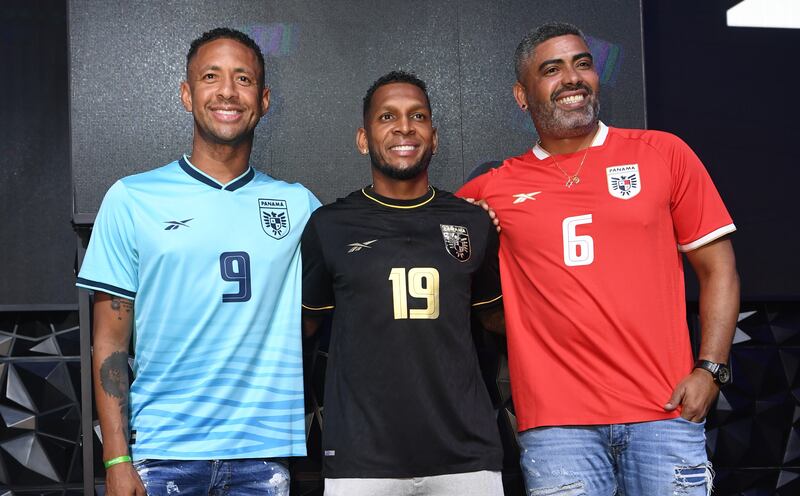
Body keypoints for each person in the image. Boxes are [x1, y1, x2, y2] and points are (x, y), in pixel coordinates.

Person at [458, 22, 740, 495]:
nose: (572, 78)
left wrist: (711, 369)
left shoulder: (663, 153)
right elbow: (434, 261)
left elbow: (719, 269)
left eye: (582, 64)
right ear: (522, 96)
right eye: (552, 69)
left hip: (665, 412)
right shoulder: (493, 188)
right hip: (557, 427)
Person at [77, 28, 319, 496]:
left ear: (264, 100)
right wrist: (116, 459)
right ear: (187, 95)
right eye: (211, 76)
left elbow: (337, 295)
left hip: (262, 457)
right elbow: (109, 341)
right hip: (161, 454)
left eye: (243, 78)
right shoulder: (132, 198)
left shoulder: (299, 205)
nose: (227, 91)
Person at [301, 71, 505, 496]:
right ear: (363, 139)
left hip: (465, 456)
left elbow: (495, 320)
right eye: (387, 117)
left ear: (434, 137)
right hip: (362, 460)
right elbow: (303, 330)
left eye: (418, 116)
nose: (404, 127)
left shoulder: (472, 222)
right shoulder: (329, 226)